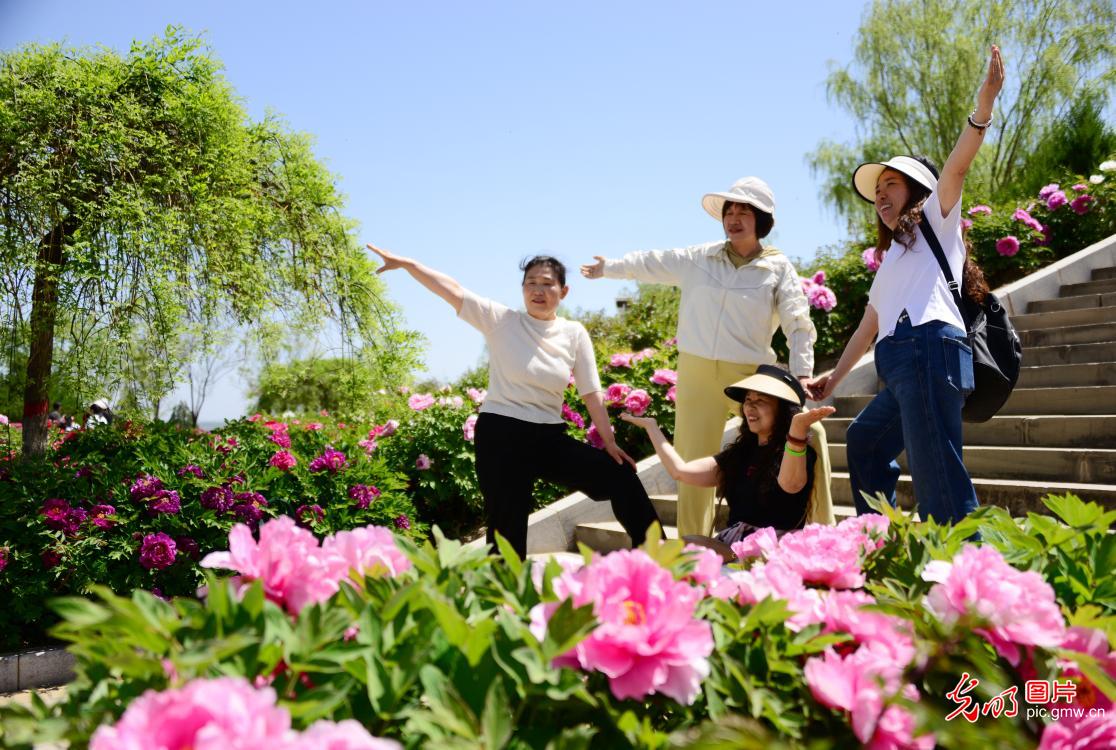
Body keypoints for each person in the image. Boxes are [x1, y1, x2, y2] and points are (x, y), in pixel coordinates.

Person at [805, 46, 1005, 525]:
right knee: (865, 442)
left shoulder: (937, 219)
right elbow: (867, 326)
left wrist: (984, 106)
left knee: (938, 480)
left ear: (916, 191)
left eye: (890, 185)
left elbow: (956, 166)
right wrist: (832, 379)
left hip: (930, 348)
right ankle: (888, 538)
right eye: (877, 190)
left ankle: (965, 580)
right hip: (899, 362)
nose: (880, 195)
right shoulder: (892, 256)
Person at [367, 243, 661, 557]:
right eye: (531, 283)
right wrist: (410, 263)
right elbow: (452, 289)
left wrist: (610, 443)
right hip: (501, 435)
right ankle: (503, 598)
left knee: (619, 475)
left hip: (548, 437)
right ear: (522, 289)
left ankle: (656, 557)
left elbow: (591, 393)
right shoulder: (502, 320)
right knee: (506, 528)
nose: (539, 290)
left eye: (548, 283)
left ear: (564, 291)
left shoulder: (573, 333)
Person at [581, 177, 829, 538]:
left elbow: (798, 323)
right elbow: (654, 262)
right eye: (729, 210)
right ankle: (693, 551)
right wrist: (610, 267)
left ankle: (822, 534)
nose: (734, 217)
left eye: (744, 210)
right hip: (696, 373)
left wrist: (802, 373)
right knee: (692, 465)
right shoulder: (700, 258)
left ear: (761, 219)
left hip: (748, 376)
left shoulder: (777, 268)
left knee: (813, 432)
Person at [621, 365, 834, 561]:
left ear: (783, 410)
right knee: (684, 546)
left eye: (760, 400)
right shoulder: (740, 454)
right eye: (748, 400)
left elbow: (791, 485)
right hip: (733, 547)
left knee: (688, 546)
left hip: (774, 552)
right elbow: (681, 472)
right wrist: (652, 428)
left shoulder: (796, 452)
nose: (750, 406)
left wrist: (796, 434)